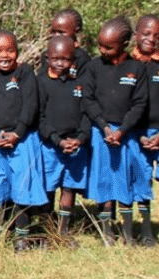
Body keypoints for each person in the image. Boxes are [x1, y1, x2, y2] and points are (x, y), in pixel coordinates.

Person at [82, 17, 149, 245]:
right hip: (101, 133)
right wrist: (104, 126)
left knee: (125, 182)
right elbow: (88, 99)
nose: (102, 50)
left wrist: (123, 130)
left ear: (126, 43)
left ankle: (128, 234)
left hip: (125, 135)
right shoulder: (93, 67)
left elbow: (140, 103)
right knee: (103, 184)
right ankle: (106, 233)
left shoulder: (136, 69)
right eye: (100, 45)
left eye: (108, 47)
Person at [0, 30, 45, 250]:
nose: (4, 55)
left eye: (10, 50)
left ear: (17, 51)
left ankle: (21, 237)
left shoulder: (25, 72)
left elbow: (30, 105)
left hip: (23, 139)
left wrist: (18, 132)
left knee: (23, 185)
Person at [38, 34, 91, 243]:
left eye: (66, 59)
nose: (61, 63)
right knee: (49, 187)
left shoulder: (80, 83)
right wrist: (57, 140)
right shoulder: (41, 82)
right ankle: (46, 228)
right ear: (47, 58)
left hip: (76, 145)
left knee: (69, 187)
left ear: (74, 60)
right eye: (56, 58)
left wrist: (81, 138)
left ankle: (63, 229)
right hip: (51, 146)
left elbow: (87, 114)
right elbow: (40, 117)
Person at [135, 14, 159, 246]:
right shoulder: (128, 64)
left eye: (157, 36)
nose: (151, 39)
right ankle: (145, 229)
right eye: (146, 33)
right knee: (142, 182)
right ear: (135, 35)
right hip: (136, 134)